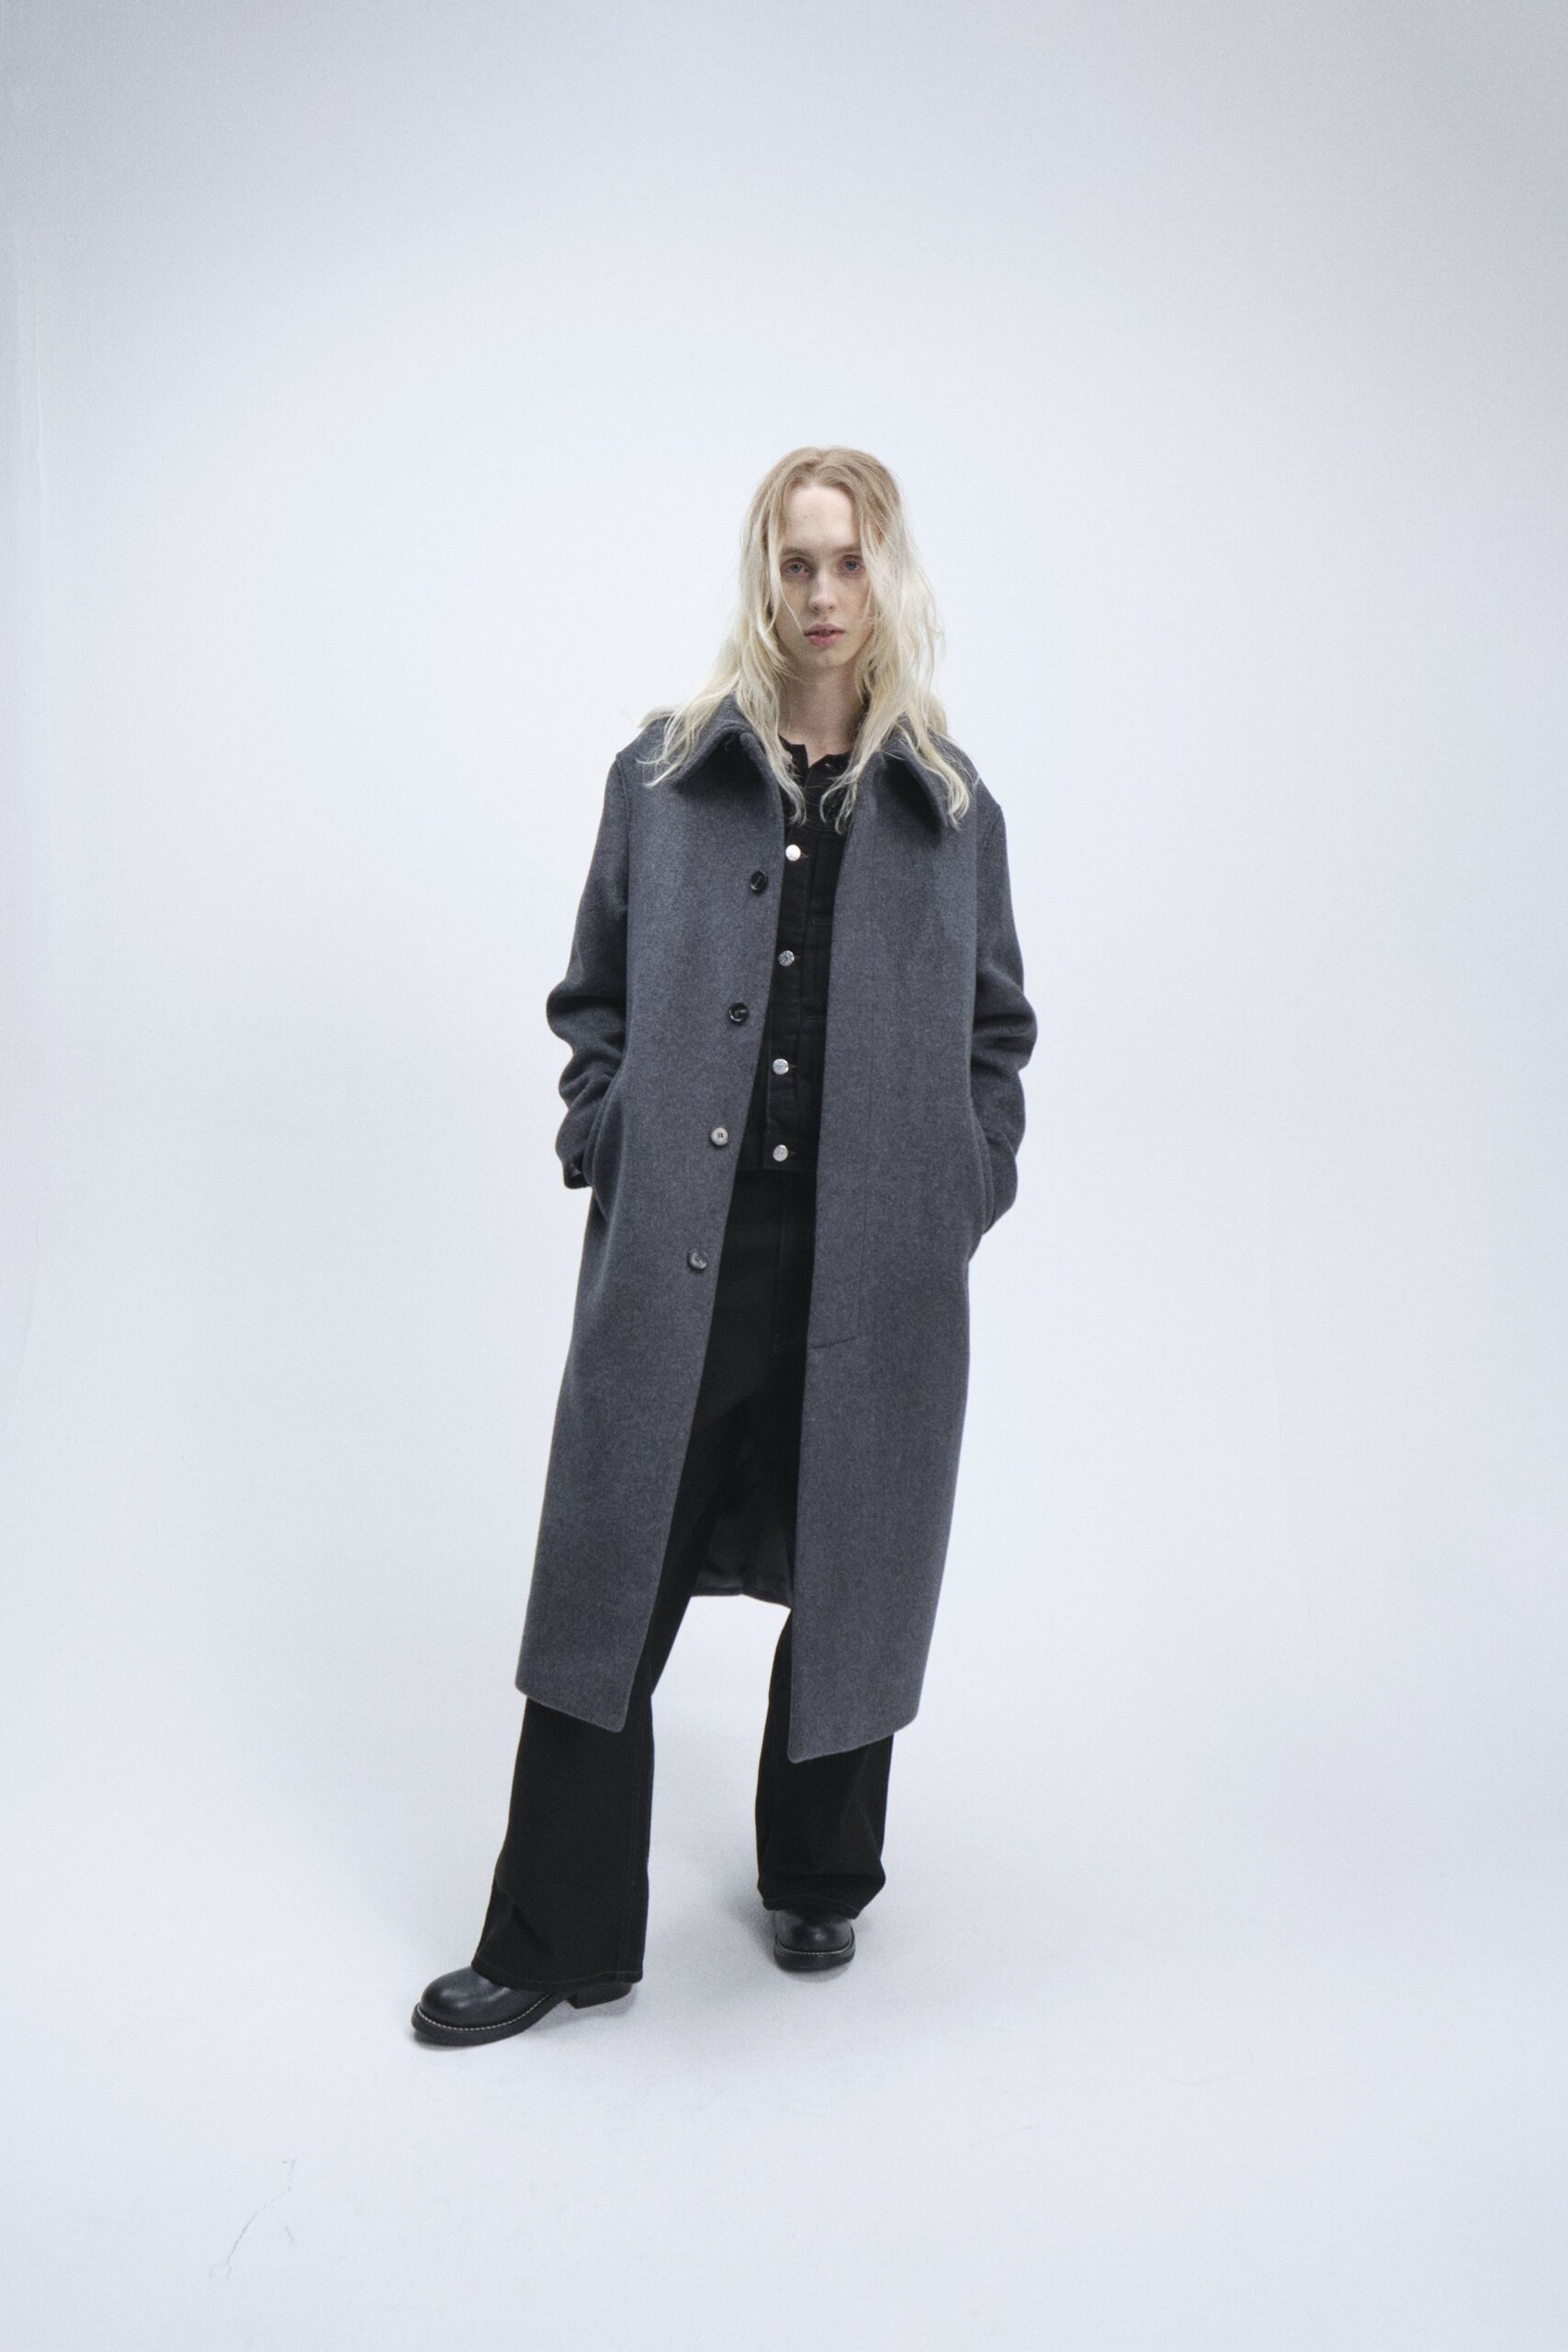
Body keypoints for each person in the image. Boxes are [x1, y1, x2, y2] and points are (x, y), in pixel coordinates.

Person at [412, 447, 1037, 2046]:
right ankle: (555, 1936)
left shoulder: (952, 809)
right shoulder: (662, 775)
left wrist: (963, 1183)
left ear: (888, 580)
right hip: (688, 1250)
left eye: (848, 563)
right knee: (604, 1578)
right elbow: (593, 998)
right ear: (764, 577)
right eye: (795, 563)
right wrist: (605, 1135)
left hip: (875, 1264)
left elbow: (998, 1033)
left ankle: (821, 1876)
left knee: (860, 1559)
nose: (821, 595)